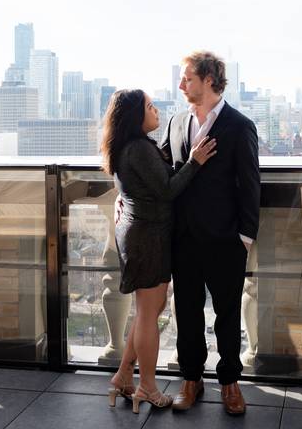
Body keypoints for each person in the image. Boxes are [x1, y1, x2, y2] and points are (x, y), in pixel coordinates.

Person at [101, 88, 217, 413]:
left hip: (140, 234)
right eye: (150, 107)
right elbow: (167, 190)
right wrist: (195, 161)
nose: (156, 112)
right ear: (135, 117)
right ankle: (147, 388)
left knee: (146, 311)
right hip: (147, 238)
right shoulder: (138, 148)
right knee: (149, 315)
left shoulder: (130, 146)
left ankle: (123, 377)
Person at [161, 51, 260, 416]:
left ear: (208, 80)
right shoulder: (175, 123)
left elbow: (251, 186)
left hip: (225, 242)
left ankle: (230, 383)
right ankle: (191, 379)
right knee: (186, 313)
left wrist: (244, 238)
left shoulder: (239, 125)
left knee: (227, 315)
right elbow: (160, 173)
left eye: (187, 77)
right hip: (183, 240)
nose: (181, 83)